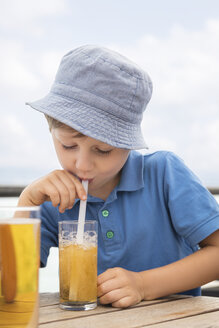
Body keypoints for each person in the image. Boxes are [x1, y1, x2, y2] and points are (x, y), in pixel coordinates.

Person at [18, 45, 219, 308]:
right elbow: (13, 287)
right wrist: (25, 205)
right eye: (68, 146)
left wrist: (144, 284)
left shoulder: (165, 175)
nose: (82, 164)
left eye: (103, 150)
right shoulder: (50, 200)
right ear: (51, 130)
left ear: (129, 144)